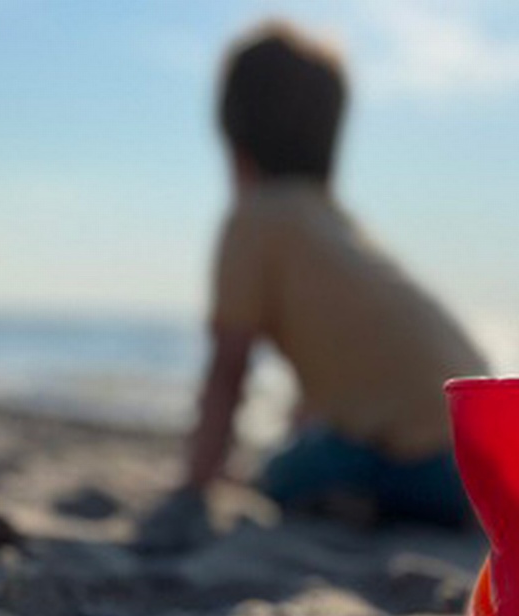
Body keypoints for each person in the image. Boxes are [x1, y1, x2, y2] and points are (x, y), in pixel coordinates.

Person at [184, 19, 488, 528]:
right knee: (319, 439)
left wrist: (195, 481)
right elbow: (352, 362)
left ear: (235, 140)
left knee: (282, 472)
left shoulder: (255, 219)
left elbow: (228, 369)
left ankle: (356, 500)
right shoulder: (332, 224)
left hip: (420, 463)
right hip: (481, 458)